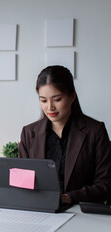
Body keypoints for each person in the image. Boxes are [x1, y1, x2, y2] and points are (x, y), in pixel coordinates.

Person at [19, 65, 111, 204]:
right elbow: (23, 182)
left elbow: (106, 184)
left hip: (81, 212)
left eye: (57, 99)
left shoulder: (95, 131)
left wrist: (69, 198)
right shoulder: (29, 133)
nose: (50, 107)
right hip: (40, 211)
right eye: (43, 100)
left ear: (72, 96)